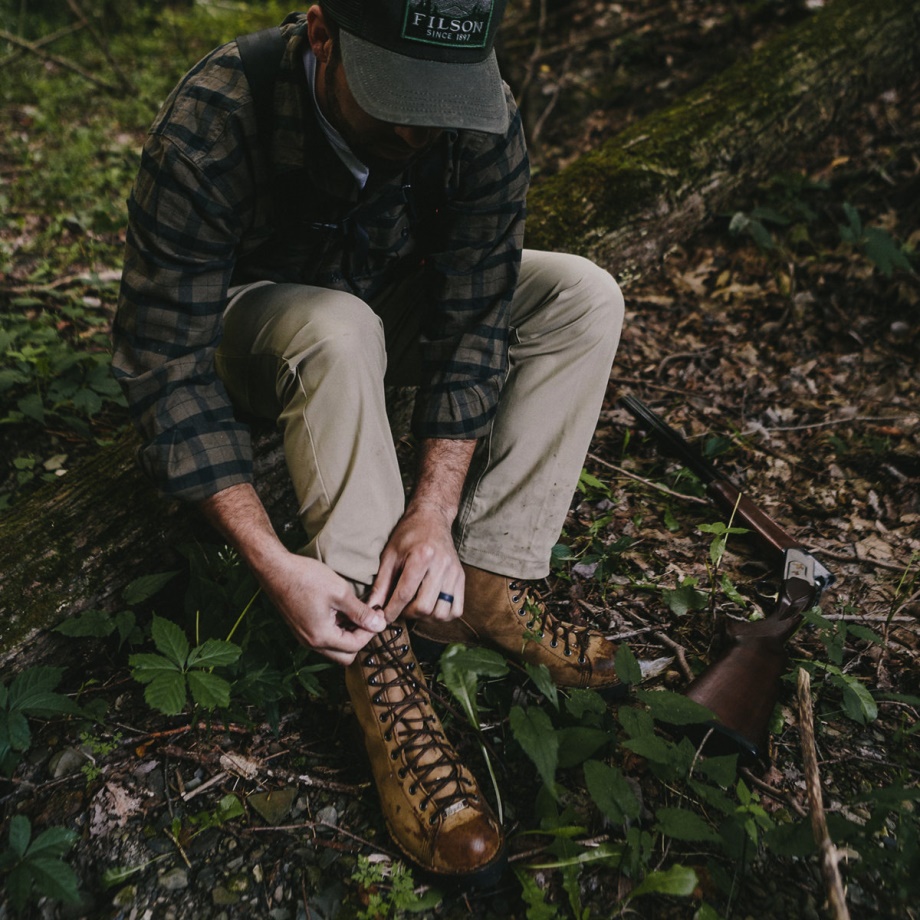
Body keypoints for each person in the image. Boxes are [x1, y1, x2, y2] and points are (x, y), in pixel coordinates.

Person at [113, 0, 625, 884]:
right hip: (256, 324)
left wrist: (434, 510)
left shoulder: (480, 117)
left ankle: (492, 581)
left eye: (442, 101)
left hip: (394, 296)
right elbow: (165, 365)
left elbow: (475, 314)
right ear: (323, 33)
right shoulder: (218, 116)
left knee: (583, 292)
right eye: (399, 95)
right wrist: (271, 560)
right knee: (339, 327)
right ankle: (379, 652)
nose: (422, 124)